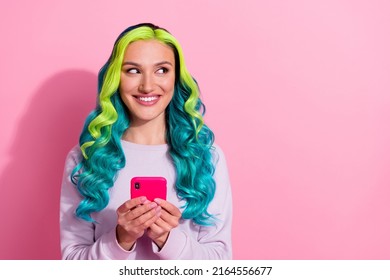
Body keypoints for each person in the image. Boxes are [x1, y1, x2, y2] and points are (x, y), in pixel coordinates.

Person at [59, 23, 232, 260]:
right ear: (115, 79)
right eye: (133, 70)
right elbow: (72, 264)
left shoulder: (206, 157)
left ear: (176, 78)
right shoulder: (85, 158)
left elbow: (220, 264)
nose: (148, 85)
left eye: (161, 70)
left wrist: (168, 239)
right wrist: (121, 238)